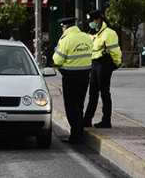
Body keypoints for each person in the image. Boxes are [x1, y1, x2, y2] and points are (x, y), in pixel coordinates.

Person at [52, 16, 93, 144]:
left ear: (65, 27)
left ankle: (75, 136)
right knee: (79, 105)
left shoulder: (66, 39)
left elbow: (57, 60)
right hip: (85, 75)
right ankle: (79, 133)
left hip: (70, 76)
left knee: (71, 107)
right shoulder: (86, 37)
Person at [83, 9, 122, 129]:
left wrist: (117, 63)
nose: (90, 23)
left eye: (92, 20)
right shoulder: (93, 33)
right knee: (92, 93)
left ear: (99, 20)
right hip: (94, 64)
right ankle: (87, 120)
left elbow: (115, 51)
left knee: (104, 92)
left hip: (104, 64)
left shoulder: (108, 33)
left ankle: (106, 120)